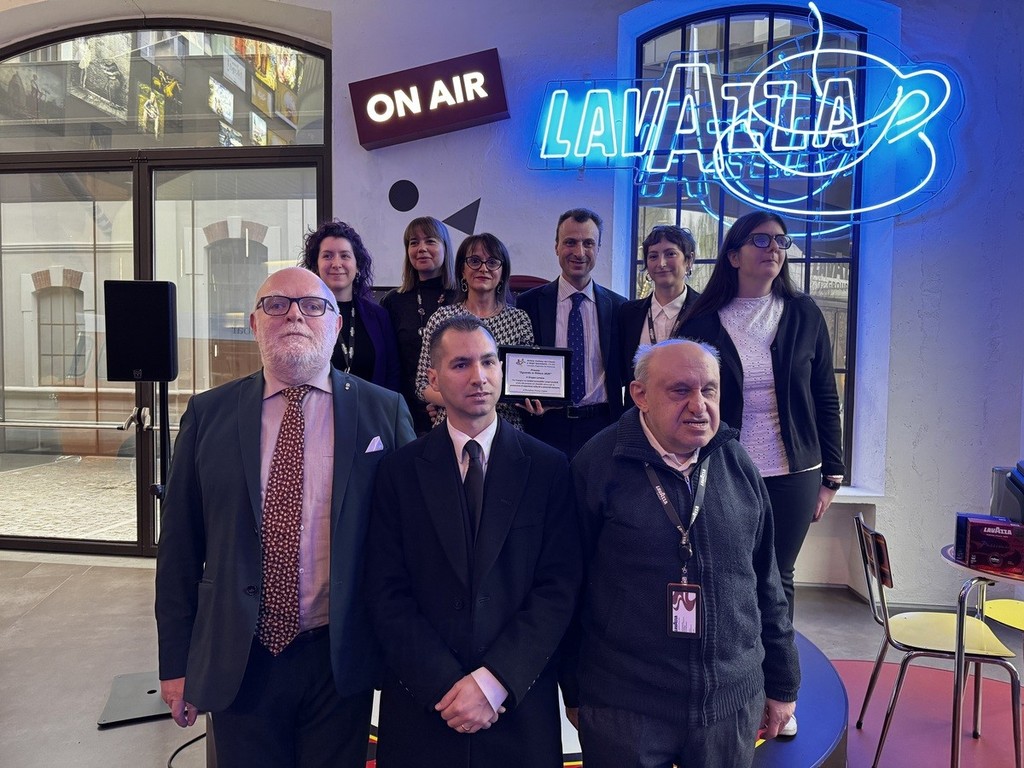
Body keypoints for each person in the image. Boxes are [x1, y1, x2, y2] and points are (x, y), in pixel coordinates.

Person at [155, 266, 415, 768]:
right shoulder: (208, 414)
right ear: (254, 324)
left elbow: (409, 541)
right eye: (276, 305)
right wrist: (175, 663)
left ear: (335, 325)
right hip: (240, 655)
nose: (294, 315)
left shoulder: (384, 411)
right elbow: (179, 551)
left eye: (313, 306)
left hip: (339, 657)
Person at [566, 339, 800, 768]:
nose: (699, 406)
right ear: (640, 395)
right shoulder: (596, 465)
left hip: (729, 705)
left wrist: (783, 682)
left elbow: (767, 580)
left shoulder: (736, 462)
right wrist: (576, 692)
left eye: (709, 390)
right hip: (625, 708)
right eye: (680, 391)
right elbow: (567, 589)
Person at [365, 314, 581, 768]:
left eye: (488, 362)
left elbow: (559, 587)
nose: (479, 377)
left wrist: (493, 682)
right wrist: (444, 685)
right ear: (434, 379)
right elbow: (385, 591)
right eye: (461, 364)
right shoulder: (398, 472)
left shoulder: (550, 468)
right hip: (426, 706)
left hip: (515, 704)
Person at [517, 207, 626, 459]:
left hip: (602, 426)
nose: (579, 252)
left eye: (588, 243)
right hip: (544, 425)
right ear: (556, 246)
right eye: (570, 242)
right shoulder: (527, 303)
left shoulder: (620, 308)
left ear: (598, 248)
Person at [414, 232, 535, 430]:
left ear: (502, 272)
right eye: (475, 261)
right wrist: (467, 402)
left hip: (507, 426)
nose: (483, 268)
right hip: (451, 424)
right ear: (462, 270)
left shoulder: (519, 320)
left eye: (492, 262)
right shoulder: (441, 318)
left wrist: (537, 398)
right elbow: (422, 384)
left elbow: (525, 384)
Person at [300, 219, 400, 391]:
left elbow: (392, 374)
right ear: (316, 266)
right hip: (317, 407)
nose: (336, 264)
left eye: (345, 255)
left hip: (370, 407)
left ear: (357, 265)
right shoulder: (300, 315)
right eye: (327, 256)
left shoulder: (378, 316)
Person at [381, 216, 459, 434]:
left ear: (445, 247)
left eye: (430, 241)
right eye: (414, 243)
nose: (421, 248)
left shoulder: (462, 297)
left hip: (453, 412)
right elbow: (390, 364)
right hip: (404, 415)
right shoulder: (393, 301)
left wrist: (443, 402)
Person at [618, 224, 702, 408]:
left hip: (690, 412)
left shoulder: (707, 311)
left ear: (689, 260)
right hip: (639, 414)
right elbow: (621, 373)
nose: (661, 263)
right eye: (653, 256)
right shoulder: (627, 313)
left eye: (670, 254)